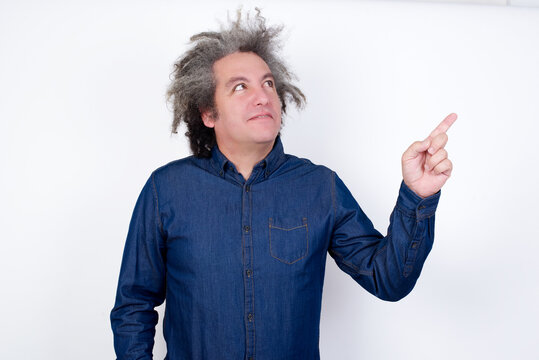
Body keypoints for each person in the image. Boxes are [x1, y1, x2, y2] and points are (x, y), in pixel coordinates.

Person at [110, 9, 455, 360]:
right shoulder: (166, 190)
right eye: (240, 86)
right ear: (208, 113)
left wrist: (418, 196)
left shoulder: (321, 187)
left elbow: (388, 279)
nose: (262, 96)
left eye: (269, 83)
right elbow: (133, 307)